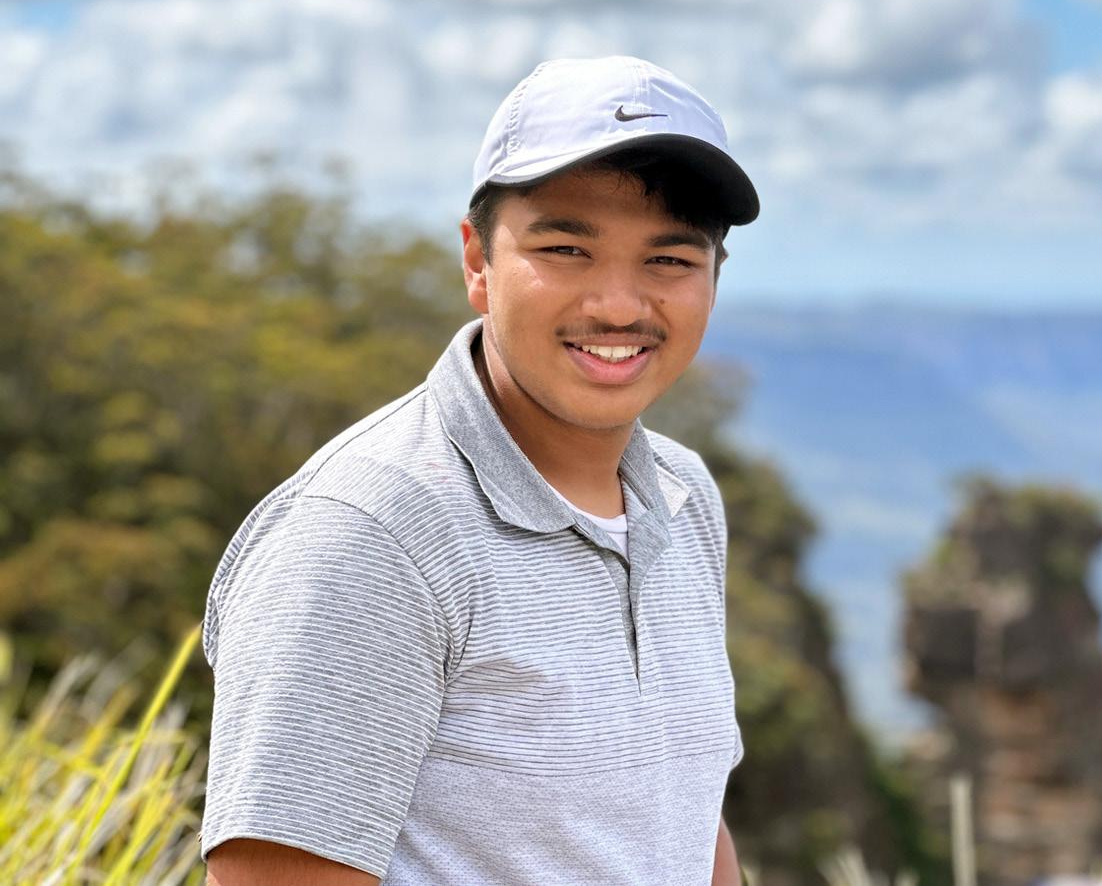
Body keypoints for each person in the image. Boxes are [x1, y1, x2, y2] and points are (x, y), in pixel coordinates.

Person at [200, 55, 759, 886]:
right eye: (565, 248)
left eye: (669, 260)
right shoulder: (369, 535)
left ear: (713, 278)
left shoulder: (681, 498)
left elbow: (679, 809)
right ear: (476, 261)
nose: (617, 305)